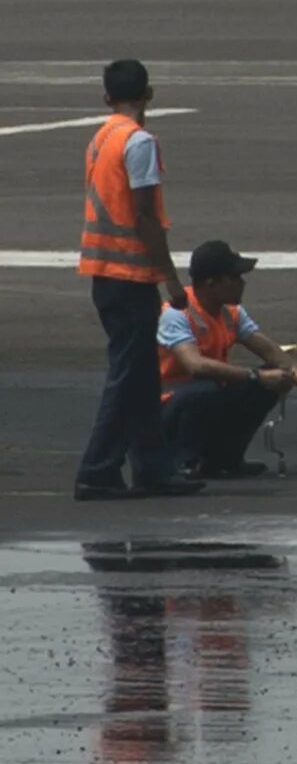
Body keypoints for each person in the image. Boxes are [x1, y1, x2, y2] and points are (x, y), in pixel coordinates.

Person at [75, 58, 201, 501]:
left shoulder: (101, 138)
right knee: (129, 375)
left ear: (108, 97)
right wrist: (170, 278)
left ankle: (153, 466)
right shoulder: (139, 141)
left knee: (143, 375)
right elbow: (146, 217)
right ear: (148, 94)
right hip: (129, 274)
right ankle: (97, 468)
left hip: (106, 273)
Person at [158, 241, 297, 479]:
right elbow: (195, 365)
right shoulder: (176, 313)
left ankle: (224, 460)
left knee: (270, 379)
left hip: (205, 400)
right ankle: (182, 460)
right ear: (212, 284)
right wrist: (256, 376)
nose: (242, 283)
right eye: (234, 277)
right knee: (210, 386)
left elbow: (273, 353)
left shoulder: (230, 312)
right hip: (167, 409)